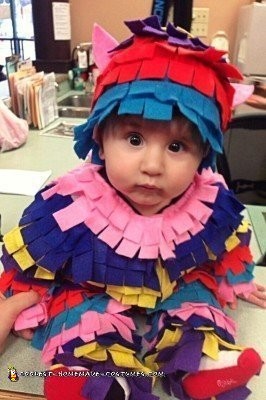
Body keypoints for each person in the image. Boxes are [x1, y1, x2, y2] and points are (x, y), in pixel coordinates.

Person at [0, 16, 265, 400]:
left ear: (204, 154)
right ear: (100, 139)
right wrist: (20, 299)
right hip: (91, 289)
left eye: (177, 147)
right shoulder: (72, 202)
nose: (153, 166)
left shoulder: (208, 200)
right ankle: (103, 383)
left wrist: (236, 276)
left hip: (177, 283)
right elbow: (29, 255)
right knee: (82, 323)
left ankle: (202, 368)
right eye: (135, 138)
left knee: (198, 305)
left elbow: (229, 240)